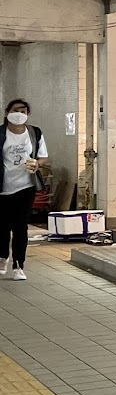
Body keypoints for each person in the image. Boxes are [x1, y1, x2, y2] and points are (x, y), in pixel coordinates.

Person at [1, 98, 48, 282]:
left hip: (26, 186)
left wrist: (37, 164)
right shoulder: (1, 133)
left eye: (23, 111)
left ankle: (18, 265)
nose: (19, 114)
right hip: (3, 187)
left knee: (20, 226)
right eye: (16, 110)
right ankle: (3, 257)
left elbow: (43, 156)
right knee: (3, 226)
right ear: (7, 113)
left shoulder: (34, 133)